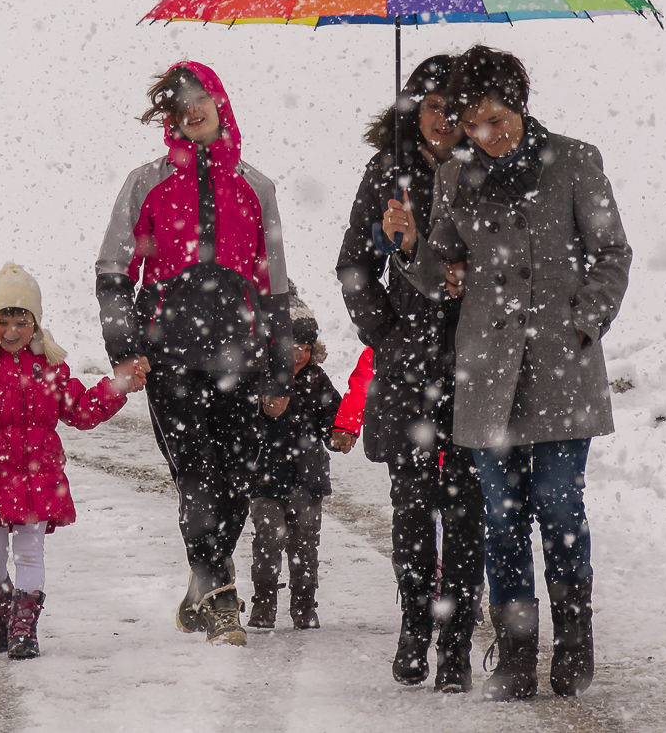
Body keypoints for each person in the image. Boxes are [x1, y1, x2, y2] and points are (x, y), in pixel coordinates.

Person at [390, 45, 631, 700]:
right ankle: (518, 652)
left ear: (519, 106)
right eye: (471, 124)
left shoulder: (575, 161)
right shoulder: (455, 176)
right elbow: (439, 276)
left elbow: (612, 253)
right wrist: (409, 242)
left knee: (558, 503)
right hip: (488, 375)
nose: (485, 135)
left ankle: (573, 639)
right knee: (501, 517)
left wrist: (583, 324)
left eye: (496, 120)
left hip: (559, 368)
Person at [95, 61, 297, 646]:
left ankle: (202, 583)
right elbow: (113, 270)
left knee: (237, 480)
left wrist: (279, 369)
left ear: (219, 101)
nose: (193, 108)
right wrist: (125, 348)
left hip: (243, 358)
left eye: (201, 96)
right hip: (171, 360)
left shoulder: (258, 187)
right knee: (197, 476)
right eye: (181, 102)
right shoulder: (145, 183)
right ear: (171, 116)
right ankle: (220, 599)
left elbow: (273, 284)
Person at [335, 53, 486, 692]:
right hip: (408, 365)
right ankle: (413, 626)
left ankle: (456, 642)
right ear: (413, 111)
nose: (443, 119)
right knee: (412, 506)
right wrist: (386, 333)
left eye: (454, 108)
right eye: (432, 107)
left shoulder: (488, 170)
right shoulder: (386, 174)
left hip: (476, 363)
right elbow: (354, 265)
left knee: (469, 510)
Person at [0, 263, 146, 660]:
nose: (11, 331)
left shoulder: (50, 367)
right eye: (3, 321)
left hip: (38, 476)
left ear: (35, 323)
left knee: (29, 554)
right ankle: (2, 611)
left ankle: (24, 628)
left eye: (21, 321)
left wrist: (118, 385)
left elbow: (81, 408)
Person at [246, 300, 341, 631]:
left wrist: (339, 433)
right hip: (266, 477)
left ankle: (304, 606)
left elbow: (333, 418)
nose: (299, 355)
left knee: (305, 547)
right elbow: (243, 423)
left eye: (305, 349)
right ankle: (263, 604)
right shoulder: (261, 379)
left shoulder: (317, 380)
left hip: (307, 478)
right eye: (292, 348)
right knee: (267, 543)